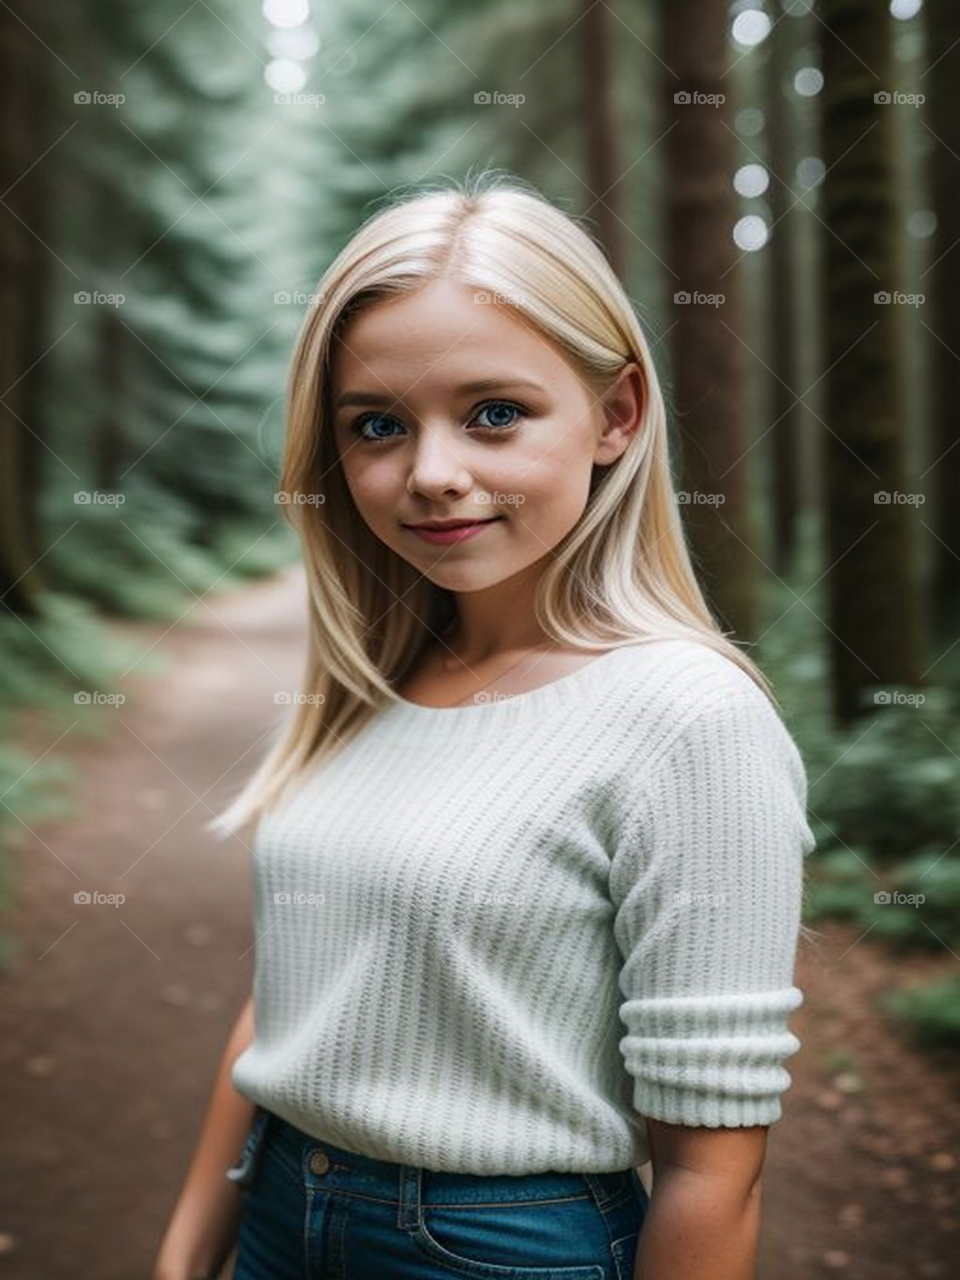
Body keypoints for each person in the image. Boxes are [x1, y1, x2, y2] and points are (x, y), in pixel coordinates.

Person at [151, 171, 817, 1280]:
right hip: (274, 1212)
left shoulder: (689, 719)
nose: (433, 475)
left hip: (498, 1248)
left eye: (495, 413)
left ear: (617, 415)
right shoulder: (374, 674)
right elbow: (286, 998)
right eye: (378, 425)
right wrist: (183, 1257)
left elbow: (713, 1172)